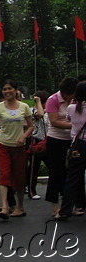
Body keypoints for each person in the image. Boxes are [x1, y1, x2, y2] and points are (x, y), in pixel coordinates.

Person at [0, 80, 34, 219]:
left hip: (19, 146)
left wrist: (24, 136)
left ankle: (20, 206)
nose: (7, 91)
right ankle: (5, 207)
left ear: (16, 91)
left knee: (19, 176)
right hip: (3, 144)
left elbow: (31, 126)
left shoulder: (24, 106)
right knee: (3, 174)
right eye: (4, 89)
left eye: (9, 89)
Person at [45, 77, 78, 218]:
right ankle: (55, 207)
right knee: (55, 173)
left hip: (72, 140)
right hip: (56, 140)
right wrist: (75, 125)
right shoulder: (53, 100)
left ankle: (68, 205)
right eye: (70, 96)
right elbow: (54, 122)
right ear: (64, 93)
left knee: (70, 174)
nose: (71, 99)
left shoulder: (77, 100)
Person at [57, 81, 86, 220]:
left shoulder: (72, 108)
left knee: (72, 179)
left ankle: (65, 210)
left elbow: (69, 120)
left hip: (78, 146)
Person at [26, 90, 50, 200]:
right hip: (36, 141)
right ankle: (31, 191)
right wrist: (38, 102)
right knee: (33, 168)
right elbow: (39, 114)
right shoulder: (32, 111)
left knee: (52, 166)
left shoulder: (48, 112)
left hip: (46, 141)